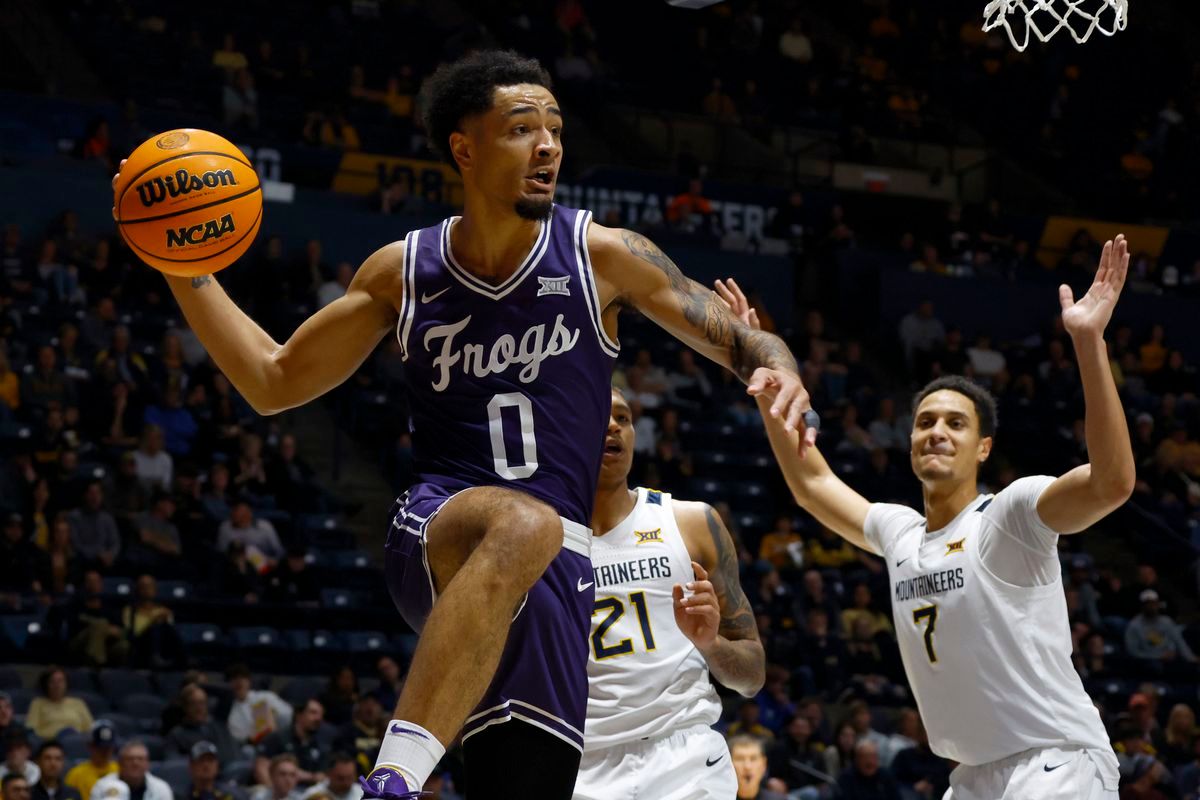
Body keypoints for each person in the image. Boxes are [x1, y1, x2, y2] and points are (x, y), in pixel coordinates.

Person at [112, 49, 810, 800]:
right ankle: (391, 782)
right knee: (524, 523)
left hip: (557, 577)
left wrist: (780, 369)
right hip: (441, 527)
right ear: (464, 148)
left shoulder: (603, 256)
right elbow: (274, 380)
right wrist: (186, 269)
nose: (547, 145)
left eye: (555, 129)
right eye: (521, 128)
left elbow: (744, 340)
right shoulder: (404, 271)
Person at [740, 236, 1137, 798]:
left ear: (983, 448)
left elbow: (1112, 482)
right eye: (926, 421)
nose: (937, 432)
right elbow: (813, 485)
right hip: (971, 777)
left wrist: (1089, 343)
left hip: (1055, 763)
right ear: (909, 445)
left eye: (956, 424)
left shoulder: (1009, 516)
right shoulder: (900, 533)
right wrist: (764, 386)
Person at [573, 389, 763, 799]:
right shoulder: (541, 539)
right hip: (582, 764)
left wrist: (711, 644)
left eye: (623, 418)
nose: (613, 426)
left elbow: (752, 677)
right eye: (597, 415)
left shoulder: (692, 523)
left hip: (686, 756)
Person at [225, 664, 293, 747]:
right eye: (234, 679)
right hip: (255, 749)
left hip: (282, 741)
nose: (238, 682)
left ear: (249, 681)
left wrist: (272, 717)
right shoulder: (231, 714)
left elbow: (289, 716)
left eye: (242, 677)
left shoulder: (266, 697)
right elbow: (241, 740)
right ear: (229, 684)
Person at [26, 667, 94, 740]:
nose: (57, 685)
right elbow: (31, 730)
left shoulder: (78, 703)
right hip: (50, 743)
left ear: (66, 683)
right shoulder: (37, 703)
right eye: (52, 681)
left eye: (60, 681)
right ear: (46, 684)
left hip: (76, 743)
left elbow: (90, 729)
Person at [89, 742, 172, 800]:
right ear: (120, 763)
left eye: (140, 759)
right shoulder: (102, 786)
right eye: (129, 759)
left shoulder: (161, 788)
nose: (135, 763)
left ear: (147, 764)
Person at [64, 722, 117, 800]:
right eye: (100, 748)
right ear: (90, 747)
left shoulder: (120, 770)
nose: (104, 752)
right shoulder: (76, 774)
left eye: (108, 748)